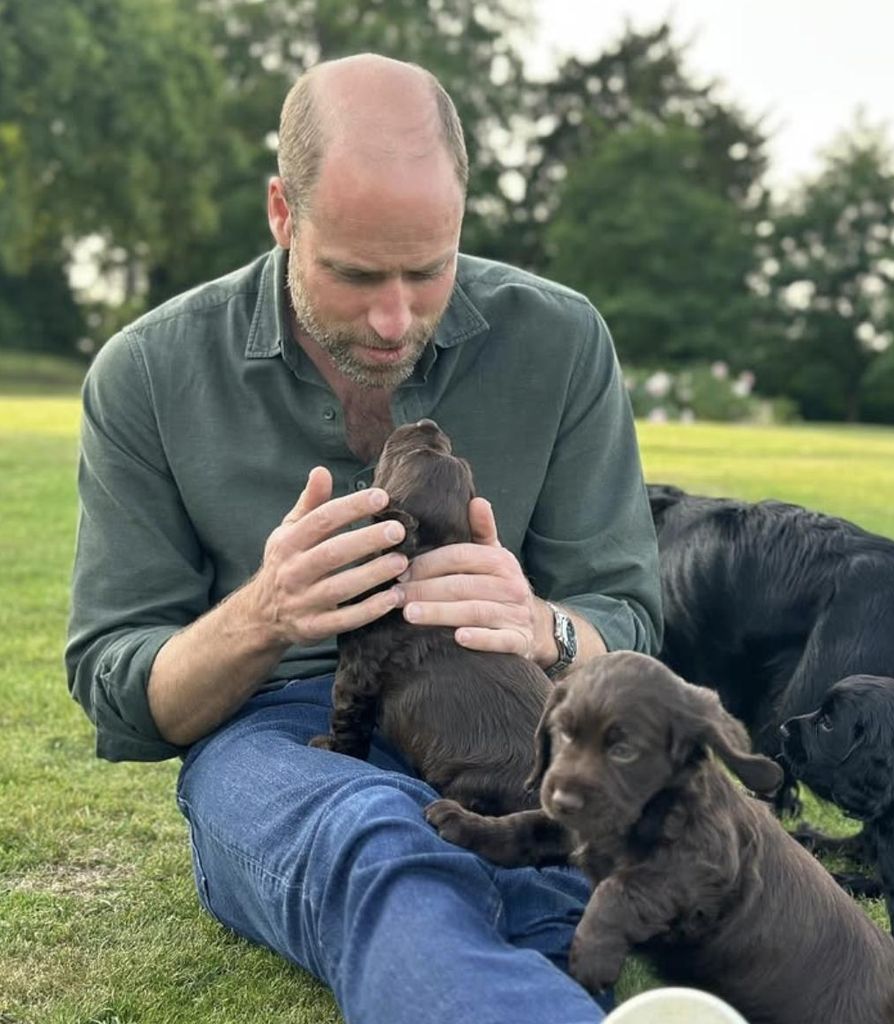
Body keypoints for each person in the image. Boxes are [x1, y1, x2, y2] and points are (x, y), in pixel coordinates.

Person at [66, 53, 686, 1023]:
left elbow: (629, 617)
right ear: (282, 212)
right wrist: (261, 617)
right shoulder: (146, 373)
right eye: (355, 275)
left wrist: (548, 628)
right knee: (376, 841)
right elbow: (117, 680)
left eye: (428, 270)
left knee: (548, 890)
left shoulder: (561, 341)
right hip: (280, 736)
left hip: (505, 719)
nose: (396, 320)